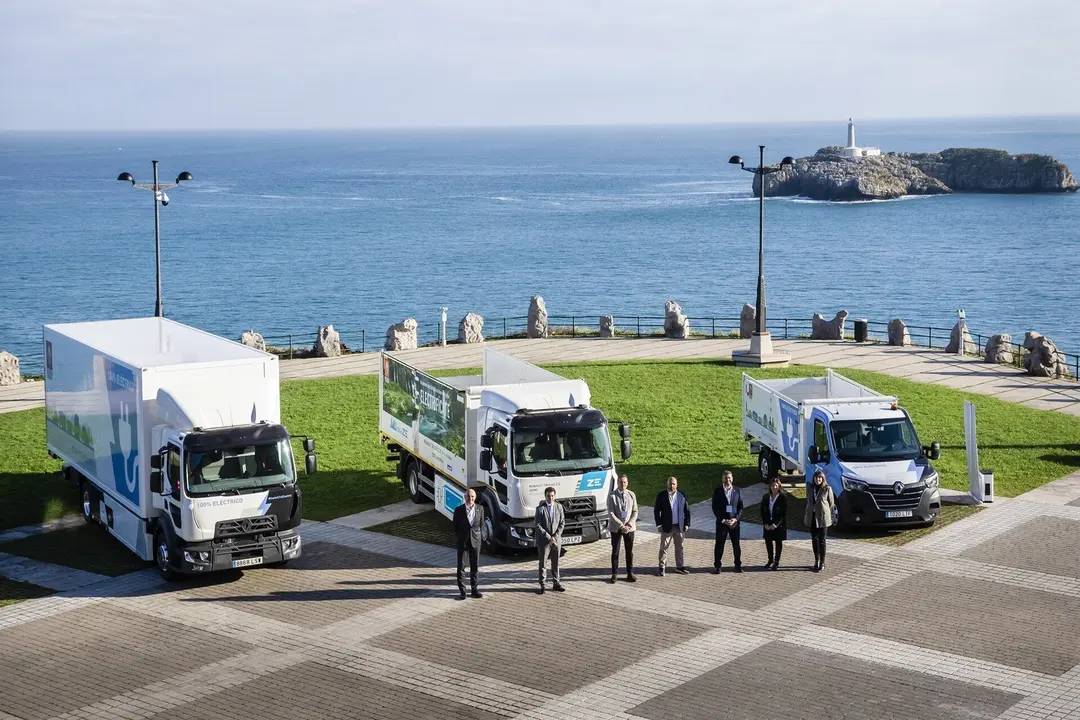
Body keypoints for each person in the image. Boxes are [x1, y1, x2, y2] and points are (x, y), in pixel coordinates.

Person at [654, 476, 691, 576]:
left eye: (674, 484)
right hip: (666, 526)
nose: (672, 486)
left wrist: (687, 523)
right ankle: (662, 567)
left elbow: (687, 510)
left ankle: (680, 567)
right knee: (664, 547)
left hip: (679, 526)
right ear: (667, 484)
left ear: (676, 485)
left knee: (680, 547)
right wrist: (659, 525)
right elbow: (656, 511)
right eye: (670, 484)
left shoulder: (681, 495)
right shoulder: (661, 495)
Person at [452, 488, 484, 599]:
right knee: (461, 566)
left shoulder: (480, 509)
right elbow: (455, 527)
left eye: (472, 496)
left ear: (475, 497)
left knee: (475, 566)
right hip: (463, 541)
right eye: (468, 496)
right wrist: (462, 537)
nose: (470, 498)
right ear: (464, 497)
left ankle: (474, 590)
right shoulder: (458, 510)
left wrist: (478, 537)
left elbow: (481, 525)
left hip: (476, 541)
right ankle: (462, 591)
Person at [606, 473, 638, 583]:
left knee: (629, 551)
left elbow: (635, 511)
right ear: (617, 483)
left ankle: (630, 572)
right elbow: (611, 513)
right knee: (615, 551)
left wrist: (629, 524)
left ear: (627, 483)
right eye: (621, 482)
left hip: (629, 528)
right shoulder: (611, 496)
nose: (623, 484)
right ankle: (614, 574)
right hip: (616, 528)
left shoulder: (631, 495)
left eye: (624, 482)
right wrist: (621, 526)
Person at [711, 470, 743, 573]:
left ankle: (738, 565)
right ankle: (717, 566)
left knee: (736, 545)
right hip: (722, 523)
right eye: (725, 478)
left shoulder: (737, 491)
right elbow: (714, 508)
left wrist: (736, 519)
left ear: (732, 479)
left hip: (734, 523)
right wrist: (723, 520)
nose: (727, 480)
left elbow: (740, 507)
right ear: (722, 479)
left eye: (729, 478)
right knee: (719, 545)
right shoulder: (718, 491)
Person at [804, 470, 837, 572]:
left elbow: (831, 503)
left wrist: (824, 510)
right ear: (813, 478)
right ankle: (816, 560)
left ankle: (822, 562)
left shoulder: (827, 489)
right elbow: (808, 499)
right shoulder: (810, 488)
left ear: (823, 479)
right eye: (816, 478)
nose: (818, 480)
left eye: (820, 478)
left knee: (822, 540)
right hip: (812, 516)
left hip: (822, 517)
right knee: (814, 539)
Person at [535, 486, 566, 593]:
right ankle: (542, 585)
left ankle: (556, 583)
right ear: (545, 496)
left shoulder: (559, 507)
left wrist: (555, 537)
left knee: (556, 563)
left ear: (555, 496)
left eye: (552, 496)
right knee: (543, 563)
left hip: (556, 540)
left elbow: (562, 523)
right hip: (544, 541)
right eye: (548, 496)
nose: (550, 498)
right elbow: (538, 525)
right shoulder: (540, 509)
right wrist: (549, 537)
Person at [760, 476, 787, 570]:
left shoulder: (782, 497)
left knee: (778, 542)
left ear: (779, 486)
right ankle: (770, 559)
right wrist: (765, 524)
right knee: (768, 542)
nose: (774, 487)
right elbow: (762, 511)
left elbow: (783, 514)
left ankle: (776, 561)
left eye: (776, 485)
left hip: (778, 524)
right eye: (772, 485)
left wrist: (775, 524)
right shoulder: (766, 497)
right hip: (768, 523)